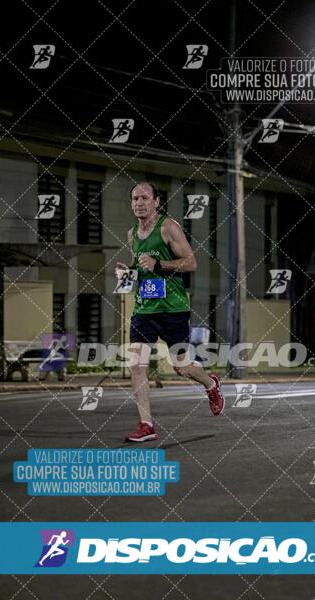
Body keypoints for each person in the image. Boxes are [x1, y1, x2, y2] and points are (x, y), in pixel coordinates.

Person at [115, 182, 224, 442]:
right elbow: (142, 268)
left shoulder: (168, 227)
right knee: (136, 364)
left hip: (172, 308)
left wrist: (158, 263)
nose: (139, 203)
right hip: (144, 308)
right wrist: (128, 270)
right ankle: (146, 425)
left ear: (156, 201)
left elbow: (191, 262)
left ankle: (211, 384)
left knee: (182, 366)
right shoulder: (132, 234)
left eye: (144, 198)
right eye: (134, 199)